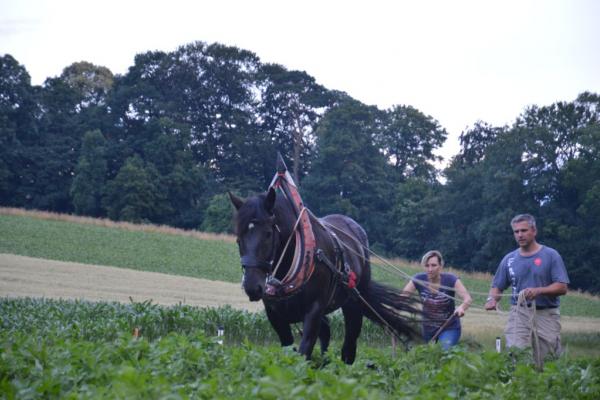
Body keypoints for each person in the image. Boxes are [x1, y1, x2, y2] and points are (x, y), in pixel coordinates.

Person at [484, 214, 569, 360]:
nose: (520, 235)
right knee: (516, 353)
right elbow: (497, 286)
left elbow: (562, 287)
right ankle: (516, 380)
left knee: (546, 358)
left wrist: (538, 291)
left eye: (524, 230)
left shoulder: (551, 255)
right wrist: (492, 299)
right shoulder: (509, 259)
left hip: (546, 313)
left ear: (534, 231)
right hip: (519, 312)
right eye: (516, 232)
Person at [403, 250, 472, 349]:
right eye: (427, 265)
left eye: (433, 265)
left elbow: (467, 299)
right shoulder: (418, 279)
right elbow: (403, 297)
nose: (430, 269)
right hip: (427, 329)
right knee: (431, 357)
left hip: (449, 327)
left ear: (441, 266)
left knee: (444, 350)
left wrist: (462, 308)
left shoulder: (451, 280)